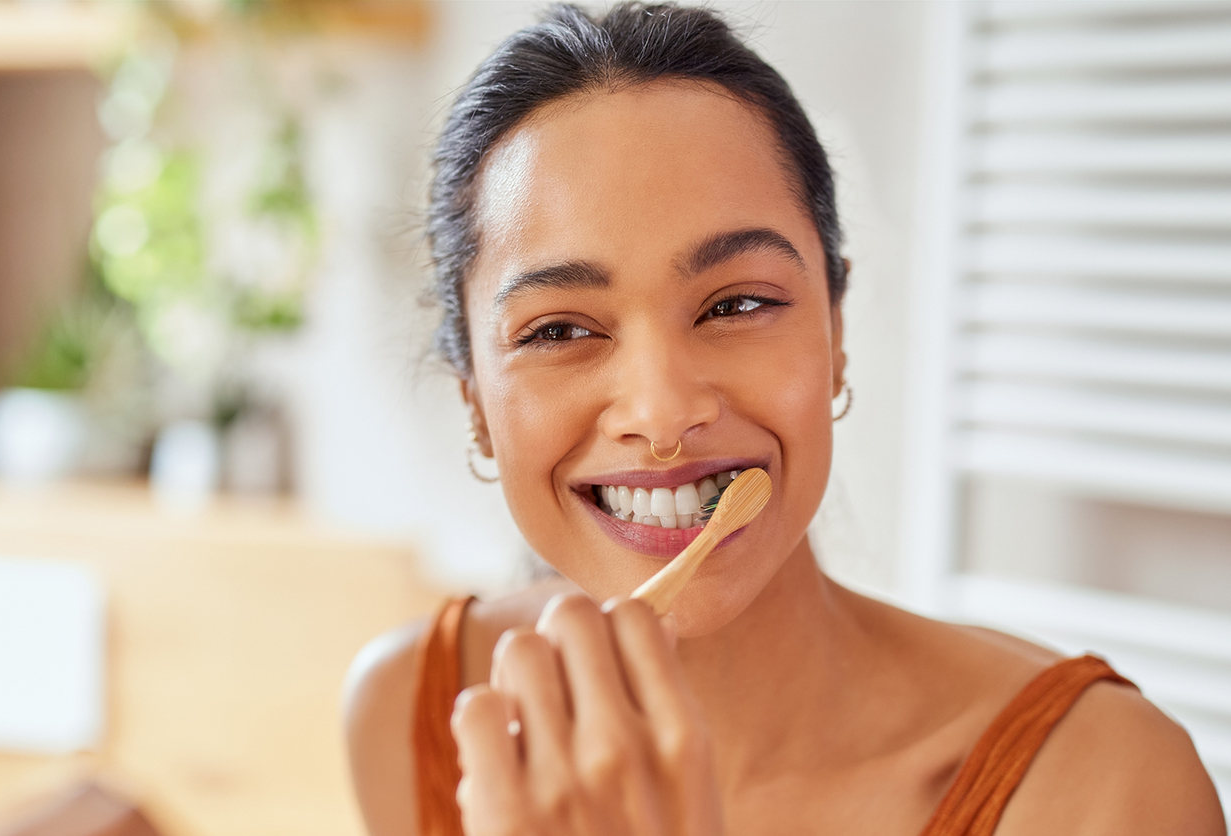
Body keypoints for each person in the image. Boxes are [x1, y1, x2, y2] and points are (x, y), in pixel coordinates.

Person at [343, 5, 1226, 835]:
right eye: (561, 329)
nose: (661, 414)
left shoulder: (1106, 788)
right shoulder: (410, 712)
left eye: (734, 305)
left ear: (835, 334)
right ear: (474, 402)